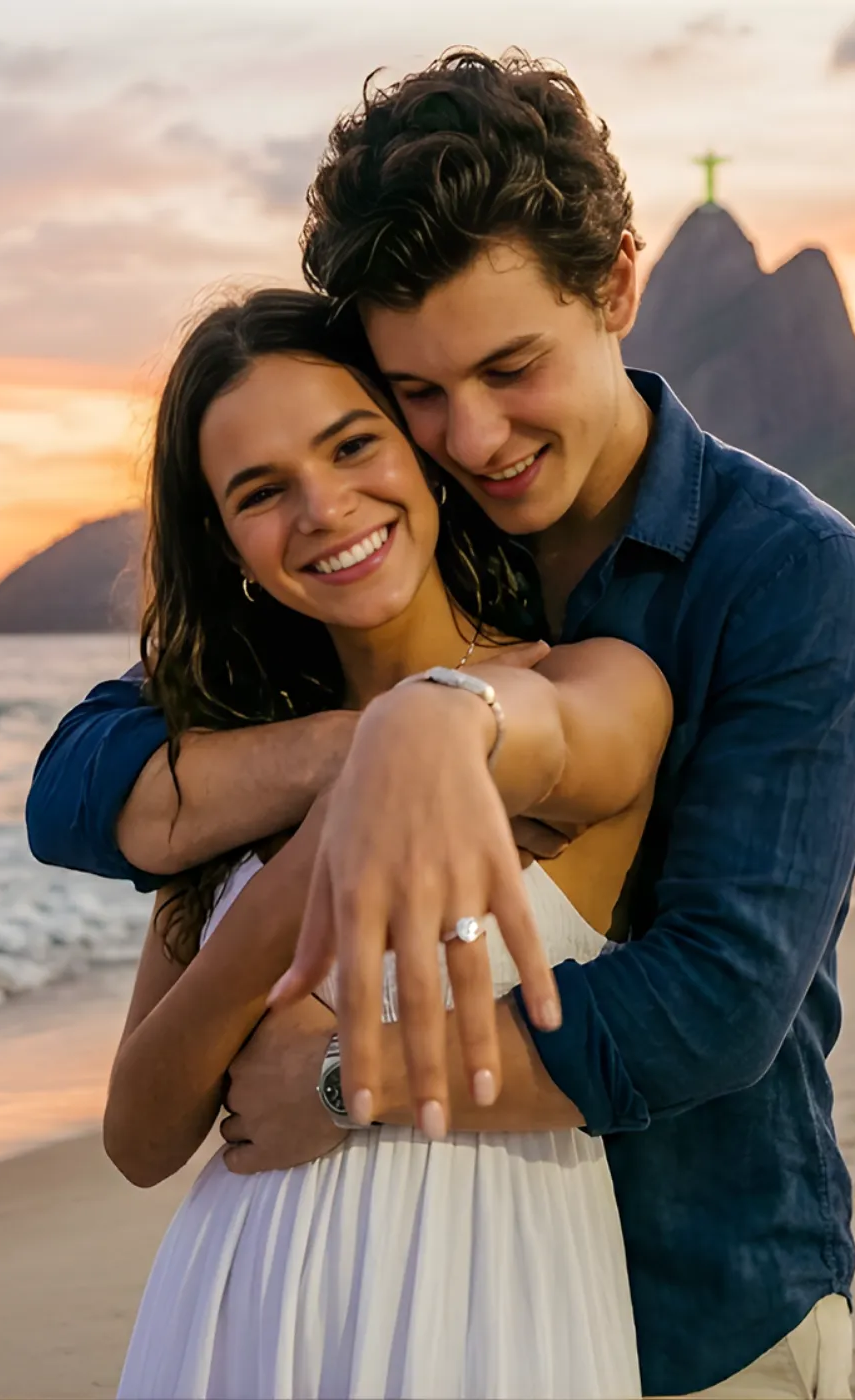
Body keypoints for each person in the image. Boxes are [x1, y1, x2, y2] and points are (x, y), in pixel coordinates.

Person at [28, 51, 855, 1399]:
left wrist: (336, 1081)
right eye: (416, 393)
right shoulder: (362, 569)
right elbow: (76, 788)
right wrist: (347, 760)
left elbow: (714, 1006)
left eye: (510, 367)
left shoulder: (777, 571)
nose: (473, 438)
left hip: (691, 1293)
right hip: (285, 1309)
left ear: (615, 286)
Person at [105, 287, 671, 1398]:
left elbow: (576, 741)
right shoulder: (236, 769)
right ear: (225, 543)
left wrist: (432, 723)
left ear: (420, 454)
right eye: (261, 491)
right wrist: (312, 851)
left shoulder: (588, 682)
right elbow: (139, 1133)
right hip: (240, 1313)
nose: (321, 507)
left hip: (494, 1303)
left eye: (352, 443)